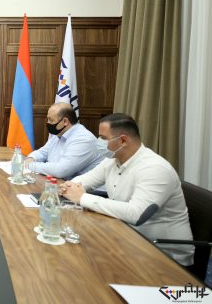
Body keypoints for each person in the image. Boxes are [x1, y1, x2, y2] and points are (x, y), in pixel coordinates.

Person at [60, 113, 194, 266]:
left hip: (164, 254)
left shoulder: (155, 168)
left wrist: (82, 197)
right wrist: (69, 186)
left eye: (103, 138)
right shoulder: (112, 161)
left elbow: (136, 214)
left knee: (84, 263)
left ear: (123, 140)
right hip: (127, 237)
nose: (98, 142)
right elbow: (84, 181)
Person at [24, 103, 103, 180]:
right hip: (61, 182)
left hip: (81, 187)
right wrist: (31, 158)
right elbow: (43, 152)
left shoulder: (83, 139)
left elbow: (61, 170)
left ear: (65, 121)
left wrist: (30, 165)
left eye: (51, 120)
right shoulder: (59, 134)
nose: (48, 123)